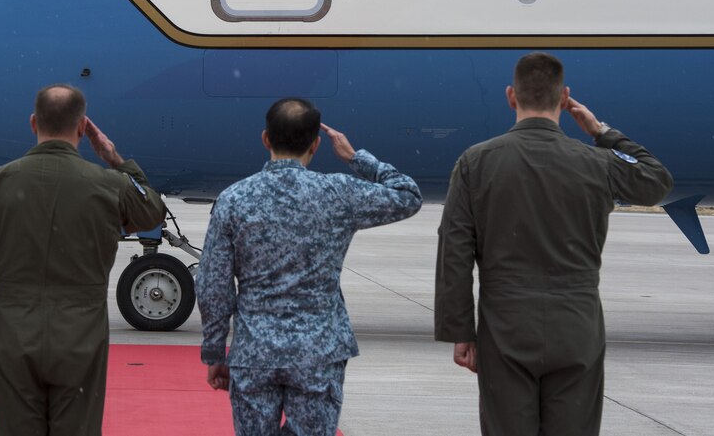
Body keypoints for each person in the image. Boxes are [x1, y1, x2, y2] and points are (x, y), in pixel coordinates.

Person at [434, 52, 674, 435]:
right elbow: (657, 179)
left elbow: (455, 249)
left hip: (506, 326)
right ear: (565, 98)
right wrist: (601, 132)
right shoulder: (597, 162)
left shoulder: (475, 162)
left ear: (511, 96)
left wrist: (460, 330)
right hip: (576, 325)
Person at [196, 97, 423, 436]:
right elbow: (408, 195)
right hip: (318, 352)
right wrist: (356, 158)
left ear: (265, 139)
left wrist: (215, 350)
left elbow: (213, 284)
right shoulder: (337, 192)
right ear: (316, 144)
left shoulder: (234, 199)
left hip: (256, 352)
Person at [0, 84, 166, 435]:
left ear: (33, 122)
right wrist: (116, 160)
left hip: (13, 336)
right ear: (83, 127)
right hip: (80, 340)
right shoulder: (108, 184)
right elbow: (151, 211)